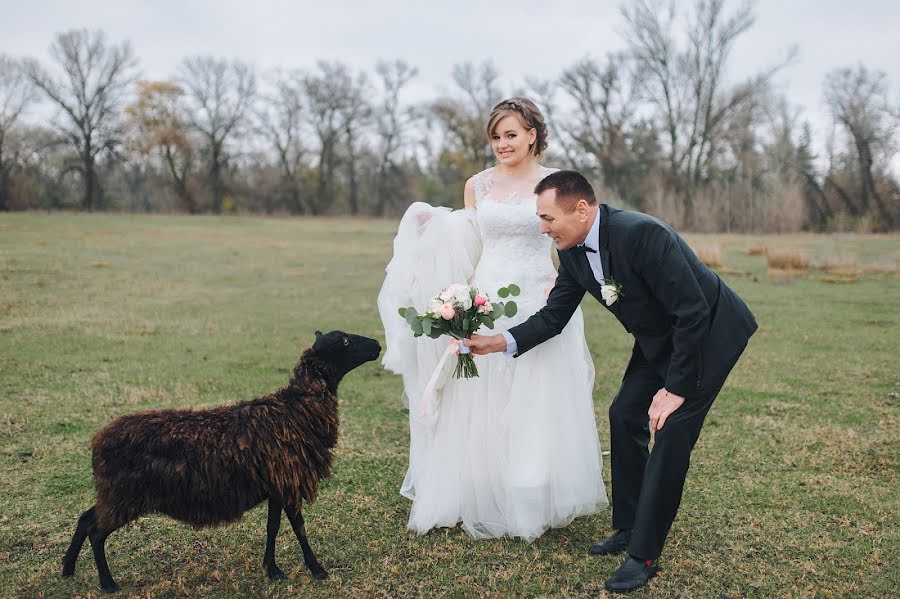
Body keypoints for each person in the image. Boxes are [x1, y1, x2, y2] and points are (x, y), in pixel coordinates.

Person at [465, 170, 757, 592]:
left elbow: (692, 310)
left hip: (708, 336)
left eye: (548, 219)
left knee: (670, 430)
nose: (542, 228)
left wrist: (675, 389)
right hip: (658, 338)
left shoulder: (643, 235)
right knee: (623, 414)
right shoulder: (570, 251)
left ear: (581, 209)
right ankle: (628, 527)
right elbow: (553, 317)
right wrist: (498, 342)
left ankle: (645, 555)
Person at [378, 98, 607, 542]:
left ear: (533, 135)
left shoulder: (554, 183)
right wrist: (435, 230)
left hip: (540, 296)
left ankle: (530, 490)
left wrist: (562, 286)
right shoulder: (477, 185)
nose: (503, 144)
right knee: (481, 395)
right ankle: (481, 487)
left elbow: (571, 238)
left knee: (535, 394)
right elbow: (470, 240)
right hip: (488, 295)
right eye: (496, 137)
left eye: (511, 135)